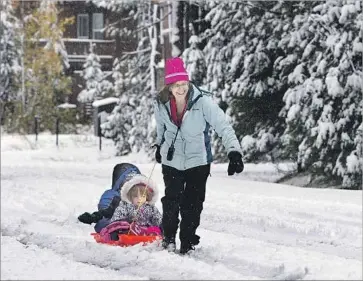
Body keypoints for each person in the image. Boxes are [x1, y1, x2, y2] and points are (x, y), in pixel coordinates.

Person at [153, 57, 244, 254]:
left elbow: (223, 126)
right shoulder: (161, 104)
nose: (181, 89)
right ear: (169, 86)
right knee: (171, 202)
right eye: (176, 85)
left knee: (193, 204)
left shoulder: (202, 102)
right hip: (172, 160)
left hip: (198, 161)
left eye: (184, 83)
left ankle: (187, 241)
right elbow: (161, 129)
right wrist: (159, 146)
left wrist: (234, 151)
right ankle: (168, 237)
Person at [92, 173, 162, 242]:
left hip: (145, 230)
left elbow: (158, 219)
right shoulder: (125, 206)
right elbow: (117, 218)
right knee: (119, 227)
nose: (139, 199)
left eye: (143, 196)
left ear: (147, 196)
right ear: (130, 197)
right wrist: (128, 222)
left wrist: (162, 226)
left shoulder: (151, 208)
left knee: (155, 229)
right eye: (136, 196)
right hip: (128, 229)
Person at [78, 163, 141, 233]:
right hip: (118, 228)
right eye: (128, 182)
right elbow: (106, 211)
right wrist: (94, 216)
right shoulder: (114, 197)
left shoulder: (142, 198)